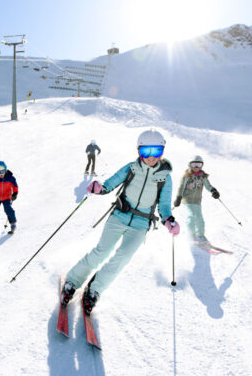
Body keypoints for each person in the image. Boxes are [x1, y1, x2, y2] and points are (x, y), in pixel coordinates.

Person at [61, 130, 180, 315]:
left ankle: (94, 289)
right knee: (102, 252)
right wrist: (99, 188)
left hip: (141, 225)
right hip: (119, 216)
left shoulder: (165, 178)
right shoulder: (131, 168)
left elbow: (164, 205)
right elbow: (109, 184)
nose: (150, 157)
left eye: (155, 151)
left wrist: (169, 220)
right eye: (146, 151)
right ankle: (72, 281)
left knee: (122, 258)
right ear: (139, 151)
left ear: (162, 152)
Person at [173, 155, 220, 242]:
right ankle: (191, 235)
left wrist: (214, 191)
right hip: (187, 200)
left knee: (199, 218)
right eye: (194, 164)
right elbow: (181, 187)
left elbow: (208, 186)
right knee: (192, 216)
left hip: (197, 201)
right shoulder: (186, 176)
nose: (196, 167)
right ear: (190, 165)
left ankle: (200, 235)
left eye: (199, 165)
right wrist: (178, 197)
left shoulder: (203, 176)